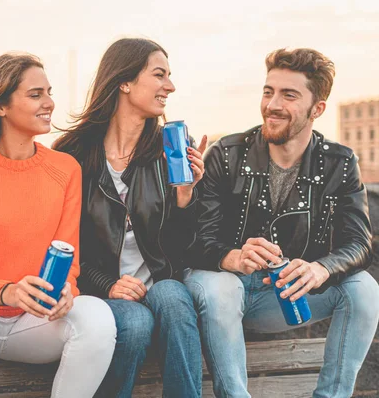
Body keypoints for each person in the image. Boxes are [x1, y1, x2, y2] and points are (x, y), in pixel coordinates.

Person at [184, 48, 379, 398]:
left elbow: (360, 242)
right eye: (268, 91)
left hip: (284, 297)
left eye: (288, 95)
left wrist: (322, 269)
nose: (272, 104)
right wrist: (233, 258)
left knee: (364, 289)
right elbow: (193, 240)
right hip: (227, 294)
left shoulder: (339, 162)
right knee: (222, 288)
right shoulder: (224, 153)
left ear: (317, 109)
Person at [0, 52, 116, 398]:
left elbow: (69, 259)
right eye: (35, 95)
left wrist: (66, 293)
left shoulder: (65, 170)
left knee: (97, 317)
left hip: (31, 324)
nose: (49, 102)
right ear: (0, 106)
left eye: (49, 92)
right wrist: (7, 291)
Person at [54, 38, 206, 398]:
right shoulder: (71, 155)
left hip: (158, 286)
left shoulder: (170, 153)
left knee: (171, 296)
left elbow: (184, 252)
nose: (170, 86)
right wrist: (107, 284)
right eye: (159, 75)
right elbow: (62, 242)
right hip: (96, 291)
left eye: (169, 76)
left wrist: (185, 198)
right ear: (124, 82)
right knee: (134, 323)